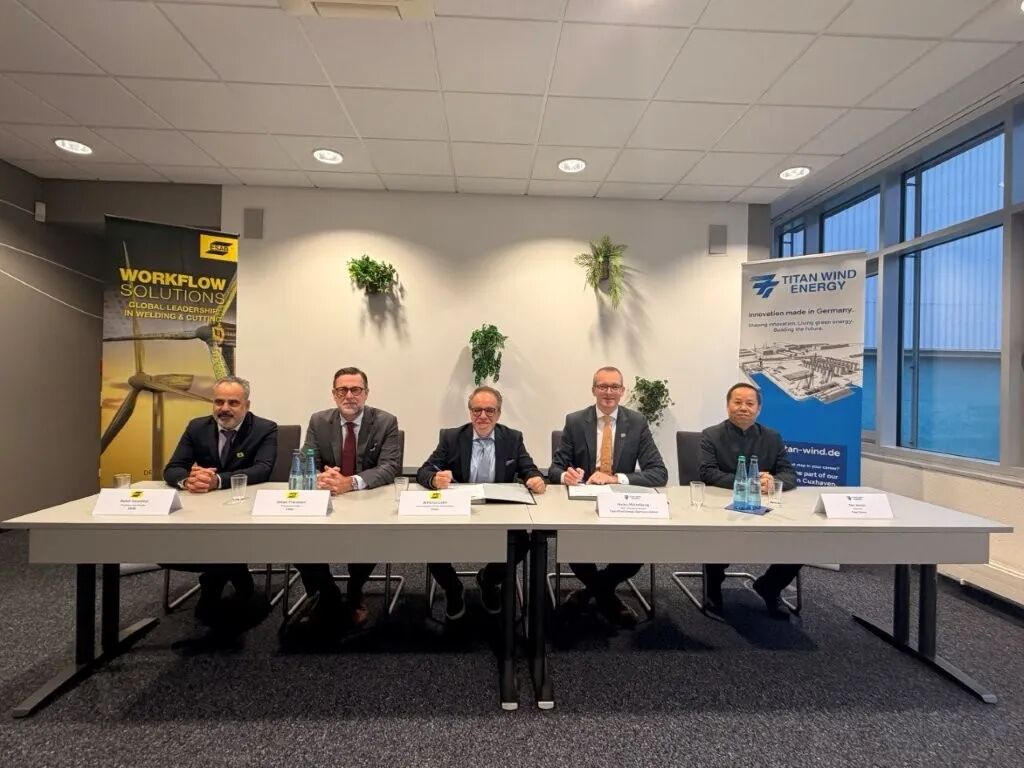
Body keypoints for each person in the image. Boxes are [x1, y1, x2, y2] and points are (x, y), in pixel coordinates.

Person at [549, 366, 667, 627]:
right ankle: (608, 598)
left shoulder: (636, 422)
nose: (608, 392)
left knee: (637, 550)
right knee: (574, 546)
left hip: (622, 503)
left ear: (622, 391)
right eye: (603, 386)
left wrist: (616, 478)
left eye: (614, 387)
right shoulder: (575, 421)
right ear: (593, 390)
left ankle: (592, 592)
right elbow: (555, 468)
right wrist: (566, 476)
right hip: (582, 504)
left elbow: (659, 473)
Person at [416, 386, 546, 621]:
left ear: (499, 413)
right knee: (428, 539)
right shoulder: (452, 437)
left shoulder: (512, 438)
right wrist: (434, 479)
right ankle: (453, 588)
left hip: (500, 510)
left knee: (522, 542)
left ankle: (488, 580)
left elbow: (528, 468)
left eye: (489, 410)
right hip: (459, 510)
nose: (483, 416)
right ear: (470, 412)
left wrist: (535, 478)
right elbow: (423, 471)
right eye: (477, 410)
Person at [293, 367, 402, 633]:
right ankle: (327, 592)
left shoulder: (385, 422)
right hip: (329, 497)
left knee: (372, 534)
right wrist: (321, 475)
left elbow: (390, 466)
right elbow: (308, 460)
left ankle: (355, 589)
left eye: (356, 390)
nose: (349, 395)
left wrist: (350, 482)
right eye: (342, 390)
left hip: (368, 499)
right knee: (295, 533)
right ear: (334, 394)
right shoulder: (319, 421)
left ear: (366, 393)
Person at [163, 375, 278, 625]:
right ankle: (237, 580)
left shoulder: (264, 428)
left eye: (233, 403)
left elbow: (263, 469)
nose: (224, 408)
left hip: (244, 510)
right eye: (219, 402)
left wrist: (217, 480)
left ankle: (214, 583)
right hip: (203, 510)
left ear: (246, 405)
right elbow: (172, 468)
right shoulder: (197, 427)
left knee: (227, 539)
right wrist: (188, 480)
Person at [699, 382, 799, 619]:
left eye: (749, 403)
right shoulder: (711, 435)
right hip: (721, 506)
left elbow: (789, 473)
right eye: (737, 402)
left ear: (759, 408)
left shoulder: (772, 437)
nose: (743, 407)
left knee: (802, 540)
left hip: (766, 507)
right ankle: (713, 587)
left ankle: (770, 586)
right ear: (728, 406)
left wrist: (773, 481)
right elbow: (707, 473)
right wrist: (749, 482)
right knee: (716, 534)